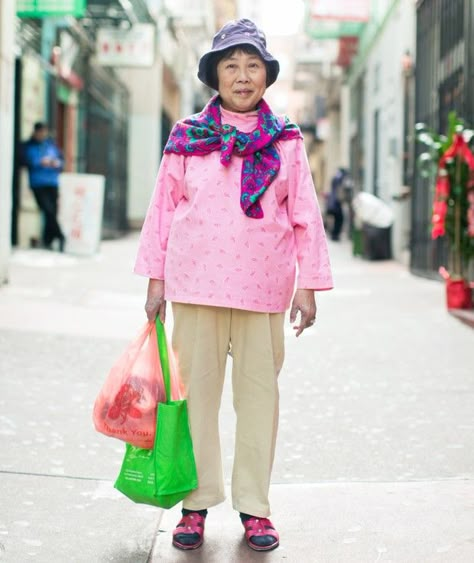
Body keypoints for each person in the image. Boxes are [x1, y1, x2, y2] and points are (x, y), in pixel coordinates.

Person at [134, 18, 333, 552]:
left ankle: (255, 509)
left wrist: (308, 285)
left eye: (252, 66)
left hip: (264, 288)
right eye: (231, 65)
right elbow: (161, 211)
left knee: (258, 400)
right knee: (195, 399)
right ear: (215, 75)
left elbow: (305, 216)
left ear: (265, 76)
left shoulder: (287, 139)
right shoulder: (186, 136)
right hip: (194, 286)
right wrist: (155, 280)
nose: (242, 76)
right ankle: (194, 505)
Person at [22, 122, 65, 251]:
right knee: (47, 210)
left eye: (44, 132)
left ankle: (48, 240)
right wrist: (40, 162)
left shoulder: (51, 145)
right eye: (40, 132)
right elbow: (26, 161)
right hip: (38, 183)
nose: (42, 134)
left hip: (52, 182)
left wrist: (55, 163)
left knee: (52, 212)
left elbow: (61, 161)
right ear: (35, 132)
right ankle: (60, 236)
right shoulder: (28, 146)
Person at [326, 167, 350, 241]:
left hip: (333, 202)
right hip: (336, 203)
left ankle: (334, 235)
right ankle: (335, 235)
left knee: (337, 219)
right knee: (339, 219)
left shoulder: (336, 178)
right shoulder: (340, 178)